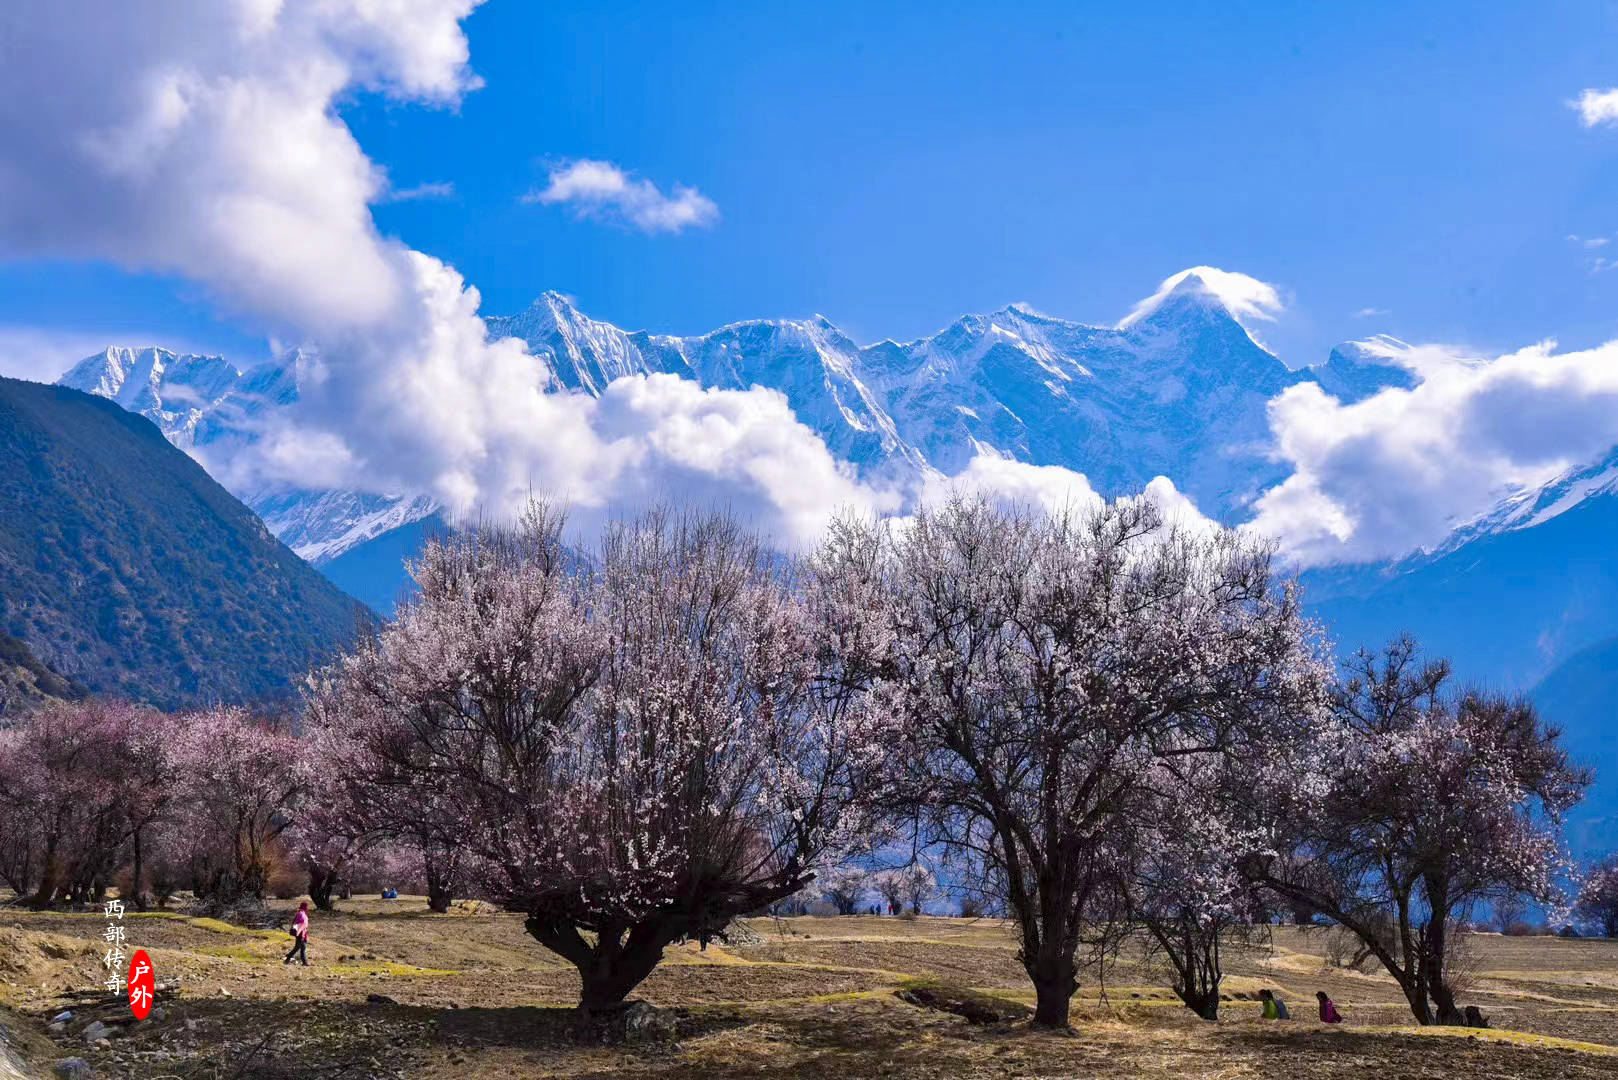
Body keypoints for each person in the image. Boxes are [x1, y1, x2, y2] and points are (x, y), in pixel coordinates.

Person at [284, 901, 310, 966]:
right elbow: (301, 922)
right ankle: (288, 957)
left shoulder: (302, 913)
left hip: (302, 933)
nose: (308, 908)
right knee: (297, 948)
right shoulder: (301, 913)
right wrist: (302, 928)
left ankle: (304, 962)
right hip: (300, 933)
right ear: (305, 907)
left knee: (303, 948)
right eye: (307, 907)